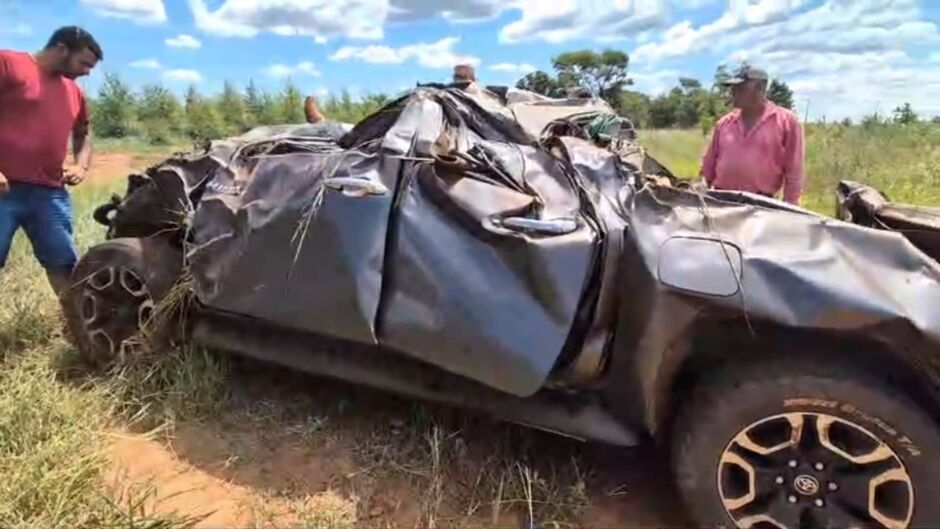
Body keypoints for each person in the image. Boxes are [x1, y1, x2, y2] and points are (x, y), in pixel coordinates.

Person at [0, 26, 101, 297]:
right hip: (4, 188)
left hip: (49, 192)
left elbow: (84, 133)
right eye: (84, 63)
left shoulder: (73, 91)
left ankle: (77, 329)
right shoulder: (9, 63)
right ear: (61, 48)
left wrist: (81, 165)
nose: (87, 72)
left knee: (63, 264)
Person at [699, 64, 805, 205]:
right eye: (733, 88)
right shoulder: (724, 124)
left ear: (760, 88)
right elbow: (708, 168)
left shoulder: (787, 122)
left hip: (760, 204)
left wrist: (790, 207)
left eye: (740, 88)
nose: (733, 92)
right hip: (721, 200)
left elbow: (794, 171)